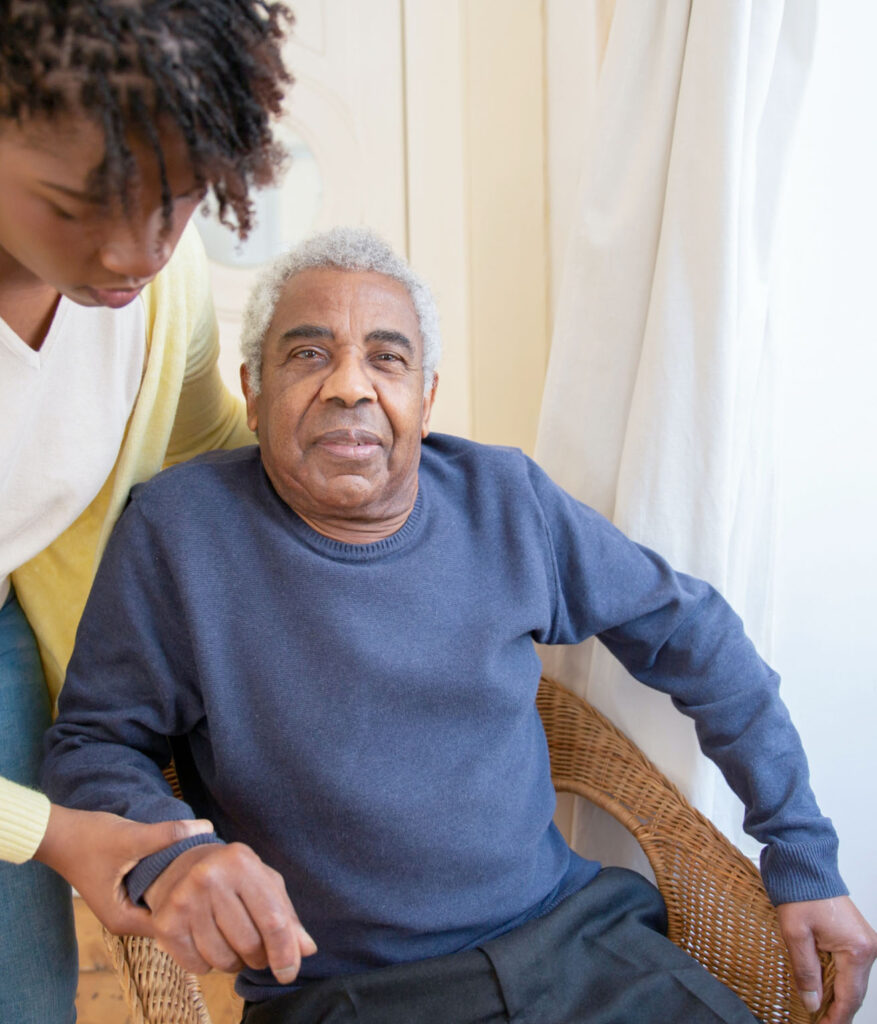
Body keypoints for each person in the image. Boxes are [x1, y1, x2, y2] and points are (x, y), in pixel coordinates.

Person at [43, 227, 877, 1024]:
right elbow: (91, 742)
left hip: (579, 948)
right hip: (349, 994)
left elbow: (694, 636)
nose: (348, 385)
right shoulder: (179, 532)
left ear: (425, 397)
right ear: (253, 395)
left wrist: (800, 854)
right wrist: (168, 857)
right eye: (306, 355)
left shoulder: (504, 499)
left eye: (387, 358)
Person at [0, 2, 292, 1020]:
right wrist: (51, 834)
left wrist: (389, 521)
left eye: (175, 201)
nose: (136, 249)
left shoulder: (163, 294)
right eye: (80, 204)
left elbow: (207, 446)